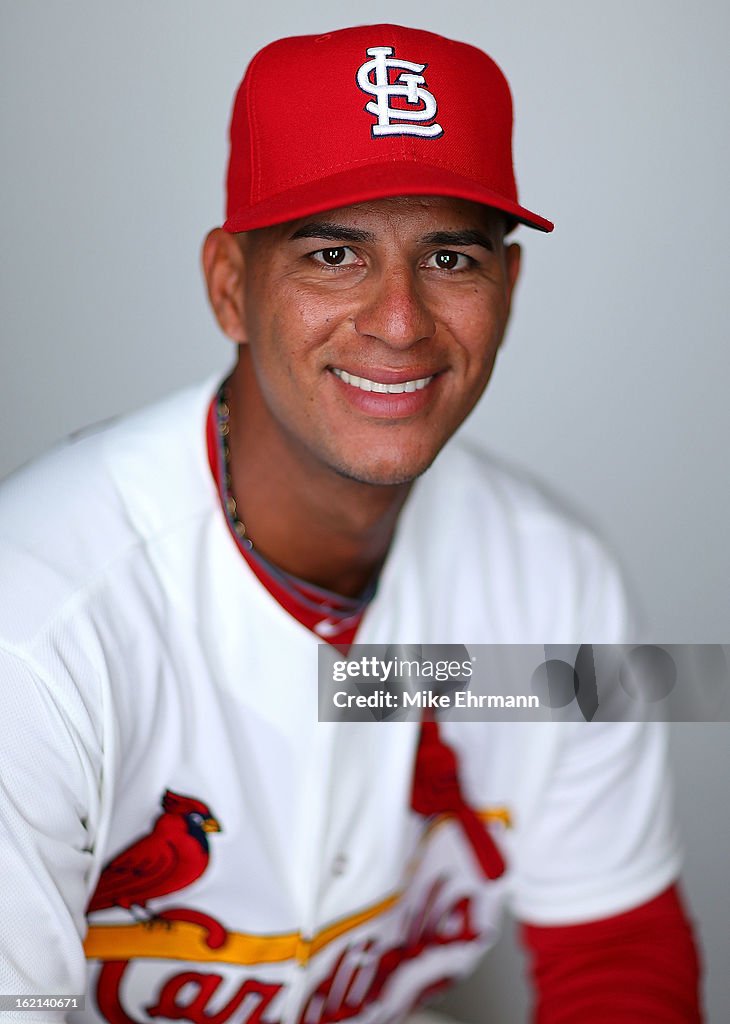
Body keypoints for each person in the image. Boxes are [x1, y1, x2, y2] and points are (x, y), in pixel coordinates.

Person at [0, 23, 701, 1024]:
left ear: (506, 290)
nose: (401, 320)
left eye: (449, 256)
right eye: (333, 253)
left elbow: (617, 955)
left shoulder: (558, 583)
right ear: (230, 286)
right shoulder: (31, 636)